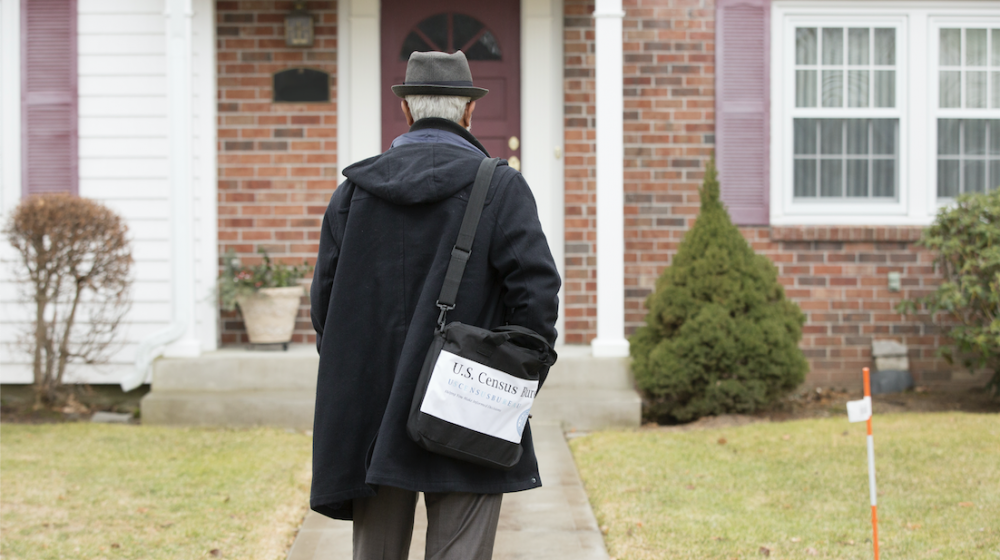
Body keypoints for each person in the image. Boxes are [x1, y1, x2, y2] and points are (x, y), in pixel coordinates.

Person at [309, 50, 561, 560]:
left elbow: (325, 307)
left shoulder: (352, 194)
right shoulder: (500, 187)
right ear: (469, 112)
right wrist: (510, 381)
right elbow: (536, 296)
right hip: (470, 401)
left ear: (407, 111)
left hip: (371, 412)